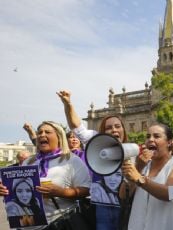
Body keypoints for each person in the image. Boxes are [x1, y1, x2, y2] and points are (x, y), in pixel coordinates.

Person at [0, 121, 91, 228]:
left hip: (58, 223)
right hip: (27, 224)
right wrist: (5, 189)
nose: (42, 134)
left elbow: (87, 190)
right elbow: (18, 187)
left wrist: (61, 192)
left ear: (59, 137)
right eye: (39, 132)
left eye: (47, 132)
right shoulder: (28, 161)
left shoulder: (72, 160)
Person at [58, 90, 125, 230]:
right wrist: (68, 104)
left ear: (123, 129)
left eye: (117, 126)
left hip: (127, 207)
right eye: (109, 127)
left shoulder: (134, 150)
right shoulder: (95, 141)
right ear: (102, 131)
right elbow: (76, 127)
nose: (114, 130)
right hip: (102, 208)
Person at [120, 123, 173, 230]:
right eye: (148, 136)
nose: (150, 139)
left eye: (156, 136)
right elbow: (123, 195)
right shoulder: (141, 165)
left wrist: (139, 179)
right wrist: (138, 167)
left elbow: (169, 194)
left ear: (169, 142)